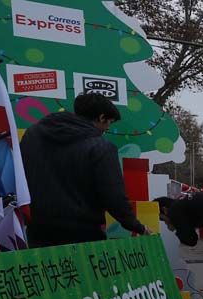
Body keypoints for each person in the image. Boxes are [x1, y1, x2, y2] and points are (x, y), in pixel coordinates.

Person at [19, 92, 146, 246]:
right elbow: (113, 195)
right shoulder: (101, 147)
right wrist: (137, 226)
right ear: (101, 117)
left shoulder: (32, 135)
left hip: (37, 231)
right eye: (108, 123)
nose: (106, 129)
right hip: (82, 236)